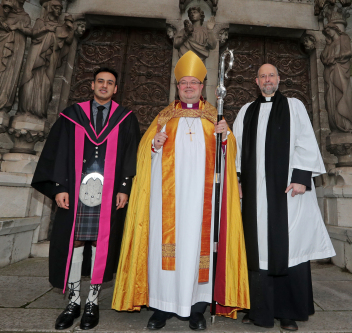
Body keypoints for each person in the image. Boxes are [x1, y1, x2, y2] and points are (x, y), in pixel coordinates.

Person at [113, 51, 249, 330]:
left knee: (200, 251)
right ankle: (161, 308)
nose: (188, 86)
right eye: (183, 82)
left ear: (202, 87)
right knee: (166, 252)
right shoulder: (163, 117)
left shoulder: (215, 118)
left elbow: (230, 158)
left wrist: (226, 138)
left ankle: (197, 308)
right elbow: (143, 156)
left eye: (193, 83)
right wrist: (154, 146)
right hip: (167, 203)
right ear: (178, 86)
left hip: (202, 203)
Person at [32, 67, 140, 330]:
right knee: (75, 242)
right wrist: (59, 187)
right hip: (74, 191)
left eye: (110, 83)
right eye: (100, 81)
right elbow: (56, 152)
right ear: (92, 85)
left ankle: (92, 301)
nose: (104, 86)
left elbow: (130, 155)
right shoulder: (71, 116)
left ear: (116, 89)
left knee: (100, 244)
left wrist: (125, 188)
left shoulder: (125, 118)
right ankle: (73, 301)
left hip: (110, 194)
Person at [233, 63, 335, 331]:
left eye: (271, 75)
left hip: (288, 191)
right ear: (256, 81)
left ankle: (288, 311)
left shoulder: (294, 106)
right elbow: (238, 149)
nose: (267, 80)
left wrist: (302, 178)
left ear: (279, 79)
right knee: (259, 249)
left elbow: (305, 141)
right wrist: (239, 180)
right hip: (256, 194)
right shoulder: (246, 111)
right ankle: (259, 308)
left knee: (289, 248)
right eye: (263, 76)